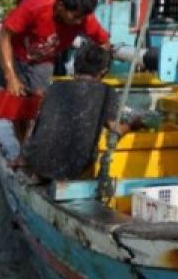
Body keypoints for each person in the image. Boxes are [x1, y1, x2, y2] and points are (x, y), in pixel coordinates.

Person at [0, 0, 110, 140]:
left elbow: (104, 43)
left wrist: (99, 73)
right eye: (74, 17)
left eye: (81, 18)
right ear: (60, 6)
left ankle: (36, 144)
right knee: (18, 105)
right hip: (15, 54)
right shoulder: (35, 6)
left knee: (40, 103)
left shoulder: (84, 19)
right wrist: (10, 76)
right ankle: (22, 148)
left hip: (43, 60)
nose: (78, 22)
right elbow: (5, 35)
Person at [20, 43, 137, 180]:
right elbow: (115, 128)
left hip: (36, 161)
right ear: (104, 71)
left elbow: (35, 123)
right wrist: (135, 124)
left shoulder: (54, 88)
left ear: (75, 67)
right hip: (73, 168)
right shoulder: (106, 92)